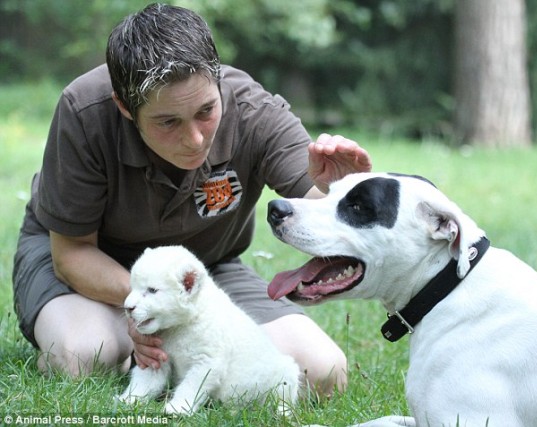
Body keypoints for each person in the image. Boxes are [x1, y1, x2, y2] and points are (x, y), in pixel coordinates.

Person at [12, 3, 371, 397]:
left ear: (218, 83)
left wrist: (343, 187)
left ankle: (160, 357)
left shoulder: (254, 111)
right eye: (168, 122)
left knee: (321, 373)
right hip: (86, 261)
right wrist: (147, 304)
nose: (196, 138)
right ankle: (114, 342)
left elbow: (319, 198)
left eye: (206, 111)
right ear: (124, 107)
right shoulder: (84, 111)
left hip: (199, 274)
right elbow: (72, 253)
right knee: (85, 355)